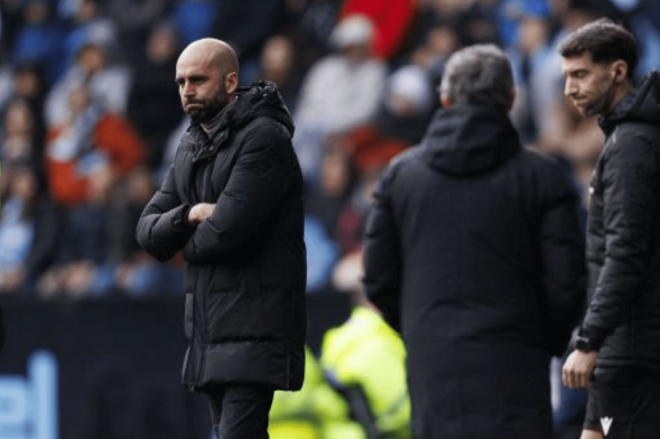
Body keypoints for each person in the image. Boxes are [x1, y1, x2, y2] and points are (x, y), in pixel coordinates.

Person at [362, 44, 586, 439]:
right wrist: (538, 341)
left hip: (434, 360)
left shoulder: (400, 176)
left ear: (445, 98)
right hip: (517, 363)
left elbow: (378, 278)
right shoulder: (543, 177)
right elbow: (567, 283)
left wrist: (423, 329)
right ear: (511, 99)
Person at [135, 38, 307, 439]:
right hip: (211, 330)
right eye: (180, 82)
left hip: (253, 325)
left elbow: (226, 233)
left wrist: (183, 244)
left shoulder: (264, 138)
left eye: (197, 79)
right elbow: (147, 232)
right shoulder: (190, 143)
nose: (186, 90)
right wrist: (190, 214)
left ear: (231, 82)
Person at [559, 18, 660, 439]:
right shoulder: (625, 139)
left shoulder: (631, 146)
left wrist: (588, 340)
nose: (569, 89)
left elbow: (624, 253)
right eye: (567, 77)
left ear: (616, 71)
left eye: (580, 74)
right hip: (621, 346)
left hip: (632, 350)